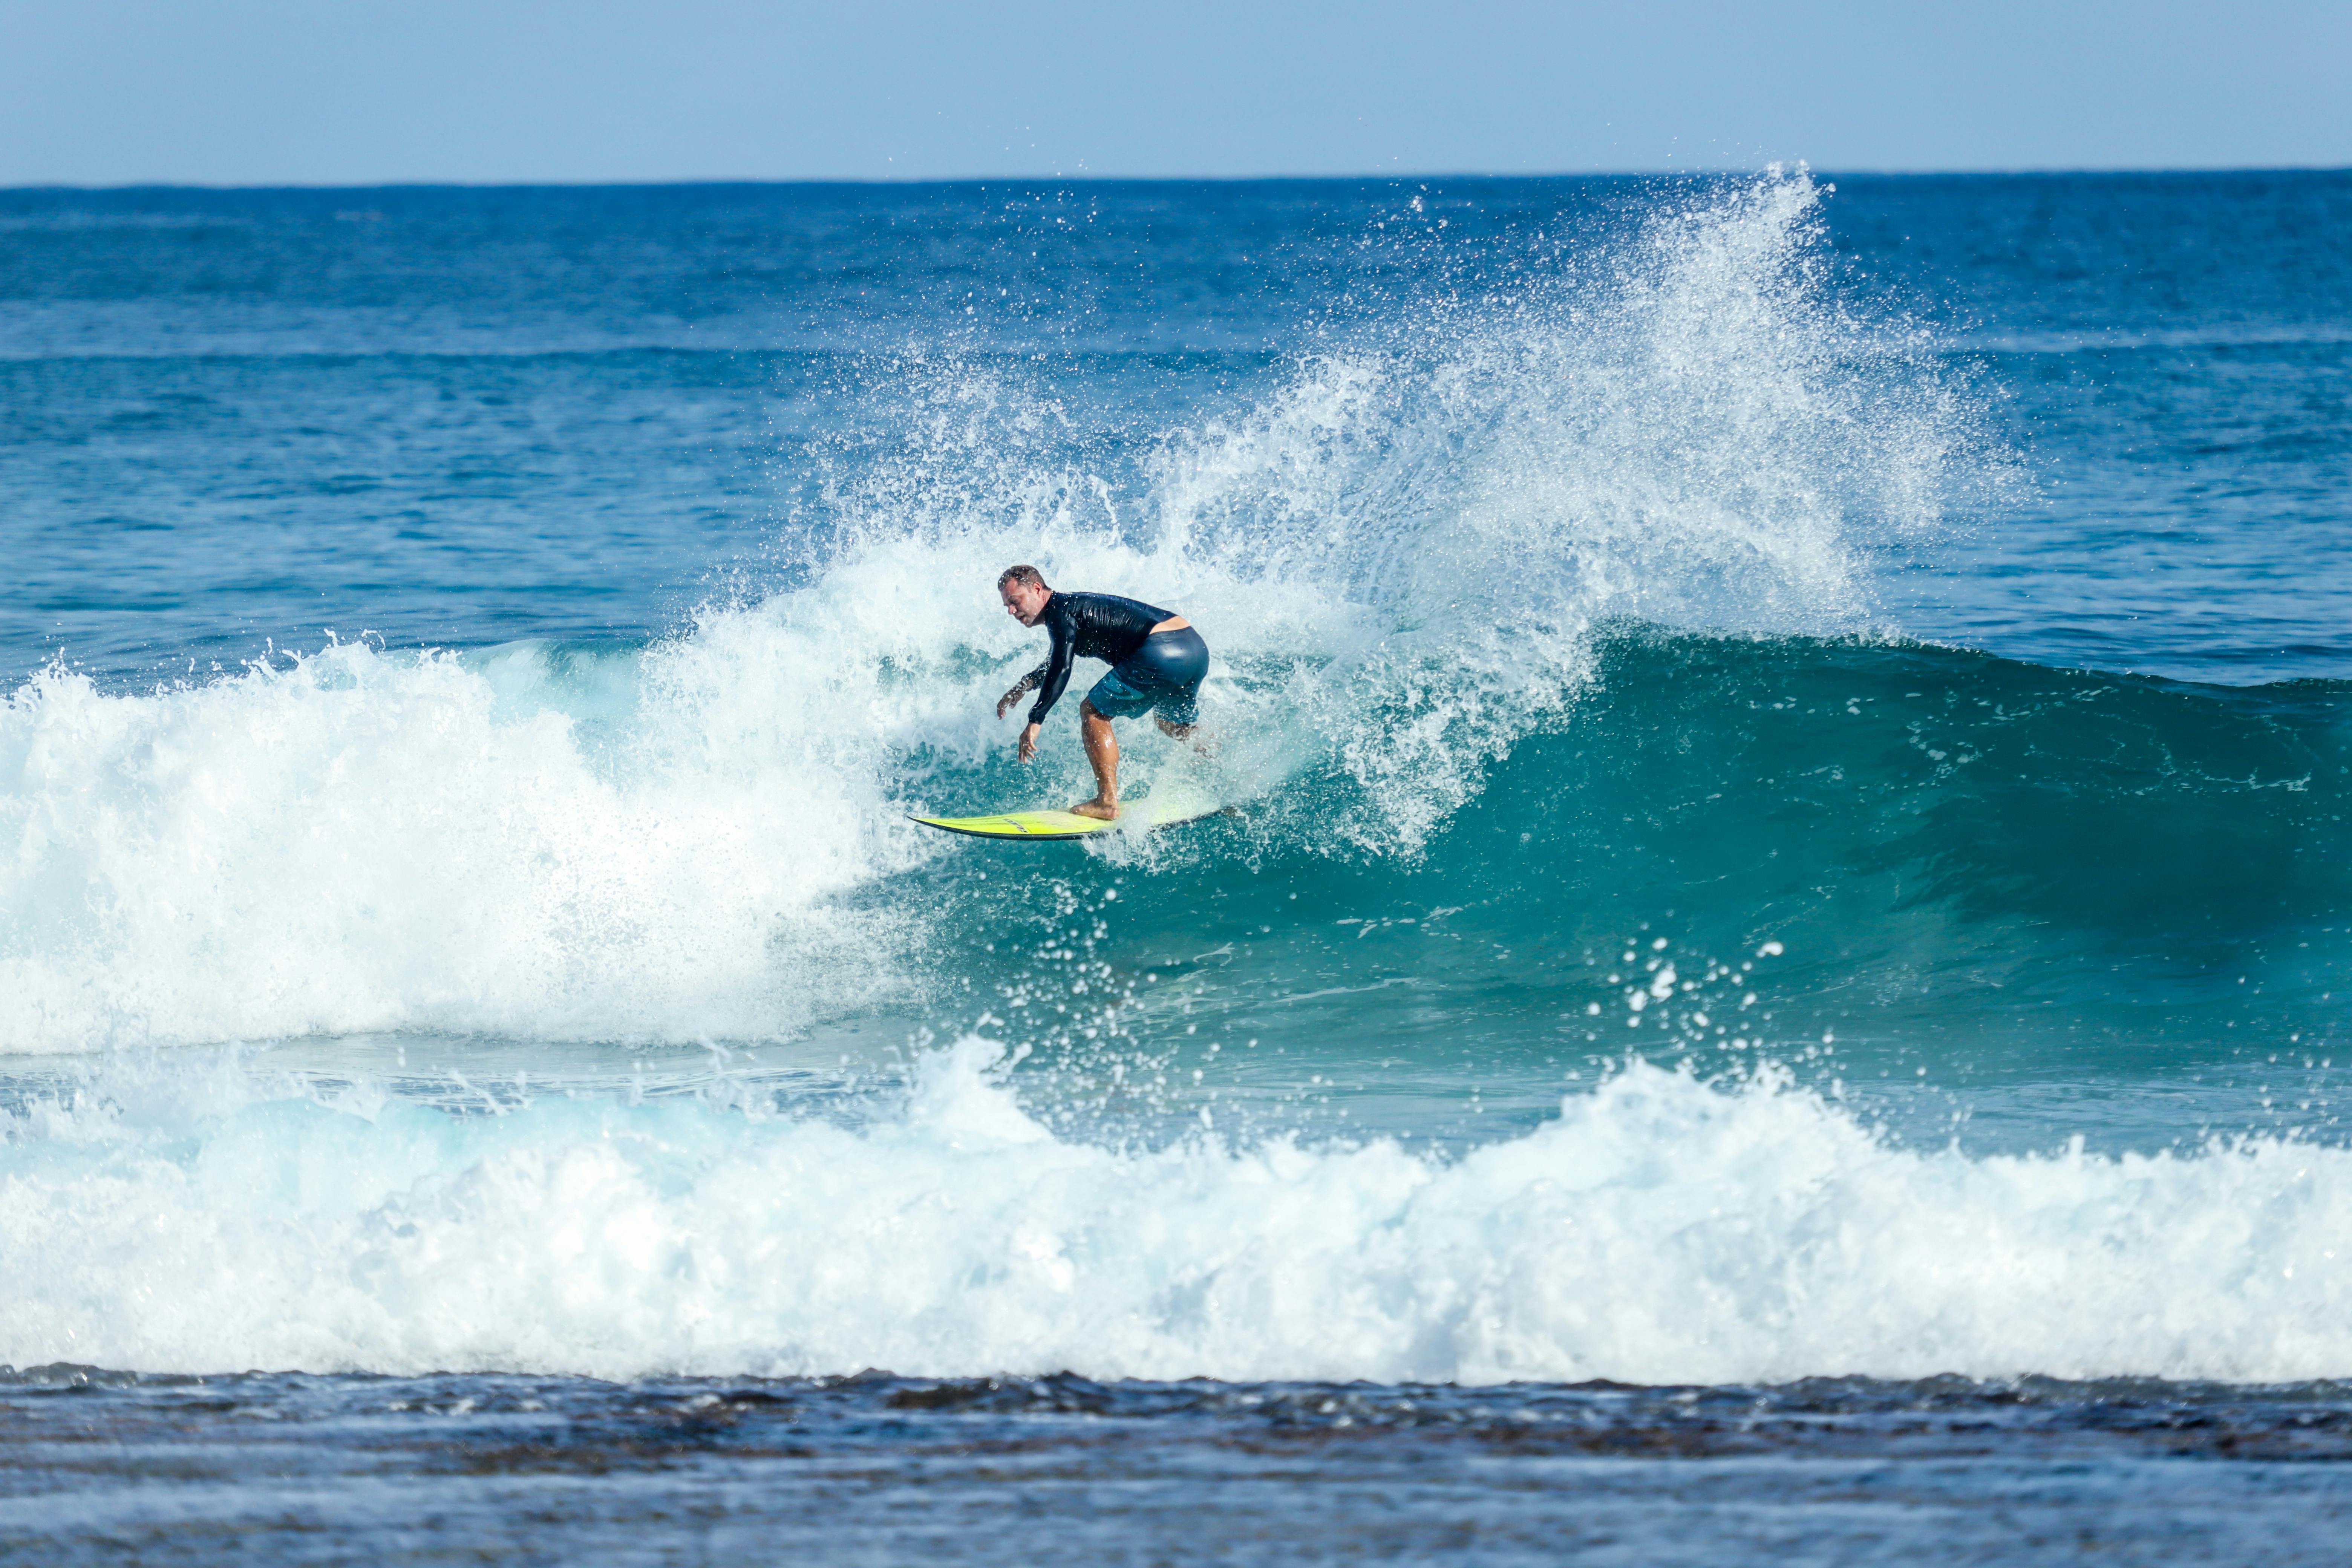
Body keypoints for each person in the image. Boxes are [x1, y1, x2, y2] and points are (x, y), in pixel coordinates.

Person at [993, 564, 1208, 821]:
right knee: (1170, 723)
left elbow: (1062, 667)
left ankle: (1107, 802)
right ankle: (1213, 753)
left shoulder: (1060, 613)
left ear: (1037, 589)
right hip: (1192, 649)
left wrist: (1036, 718)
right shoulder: (1068, 608)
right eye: (1007, 605)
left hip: (1160, 651)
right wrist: (1024, 686)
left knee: (1092, 712)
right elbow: (1056, 660)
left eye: (1015, 601)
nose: (1011, 611)